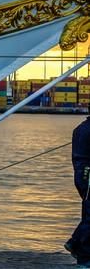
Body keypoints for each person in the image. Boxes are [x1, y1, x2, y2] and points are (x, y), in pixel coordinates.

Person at [66, 114, 90, 267]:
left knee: (88, 214)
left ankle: (76, 245)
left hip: (81, 175)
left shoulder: (80, 128)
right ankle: (80, 251)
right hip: (88, 176)